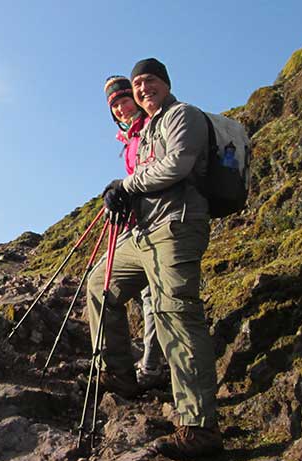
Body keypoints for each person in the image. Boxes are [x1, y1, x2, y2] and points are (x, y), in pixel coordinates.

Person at [86, 58, 221, 459]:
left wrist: (126, 184)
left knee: (175, 313)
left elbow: (177, 164)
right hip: (143, 233)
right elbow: (144, 180)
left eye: (150, 81)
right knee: (99, 284)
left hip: (177, 227)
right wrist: (122, 197)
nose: (143, 89)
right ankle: (119, 375)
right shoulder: (143, 132)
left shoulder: (183, 115)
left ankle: (199, 426)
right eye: (138, 84)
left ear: (165, 82)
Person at [102, 75, 166, 390]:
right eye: (114, 106)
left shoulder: (151, 127)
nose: (121, 108)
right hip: (138, 222)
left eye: (124, 100)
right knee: (142, 294)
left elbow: (151, 173)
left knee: (152, 295)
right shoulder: (129, 138)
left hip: (157, 222)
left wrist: (124, 189)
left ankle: (150, 367)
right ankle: (142, 364)